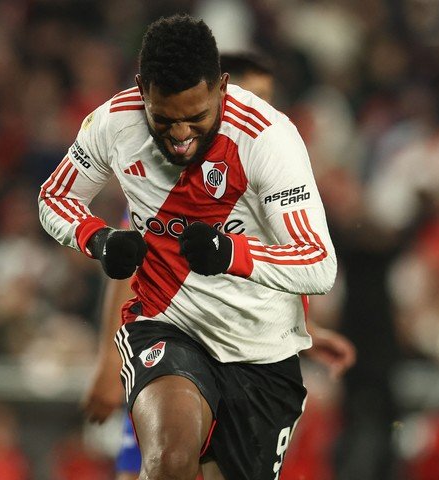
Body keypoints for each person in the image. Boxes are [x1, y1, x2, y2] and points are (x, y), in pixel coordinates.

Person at [39, 15, 338, 479]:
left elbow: (318, 263)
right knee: (169, 459)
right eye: (165, 119)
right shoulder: (114, 123)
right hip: (167, 326)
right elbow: (56, 197)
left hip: (259, 353)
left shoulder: (267, 138)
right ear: (142, 89)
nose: (180, 137)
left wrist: (231, 254)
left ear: (221, 86)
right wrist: (97, 238)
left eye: (196, 118)